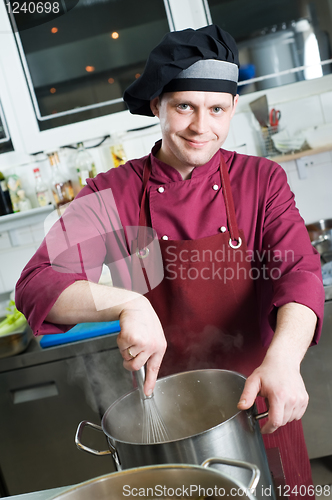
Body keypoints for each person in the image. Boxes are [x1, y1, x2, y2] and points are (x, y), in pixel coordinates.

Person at [16, 25, 324, 498]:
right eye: (185, 106)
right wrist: (127, 304)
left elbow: (298, 273)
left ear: (233, 109)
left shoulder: (262, 181)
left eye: (217, 109)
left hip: (265, 402)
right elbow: (38, 283)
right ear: (157, 105)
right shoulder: (109, 194)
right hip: (169, 429)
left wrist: (284, 360)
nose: (202, 127)